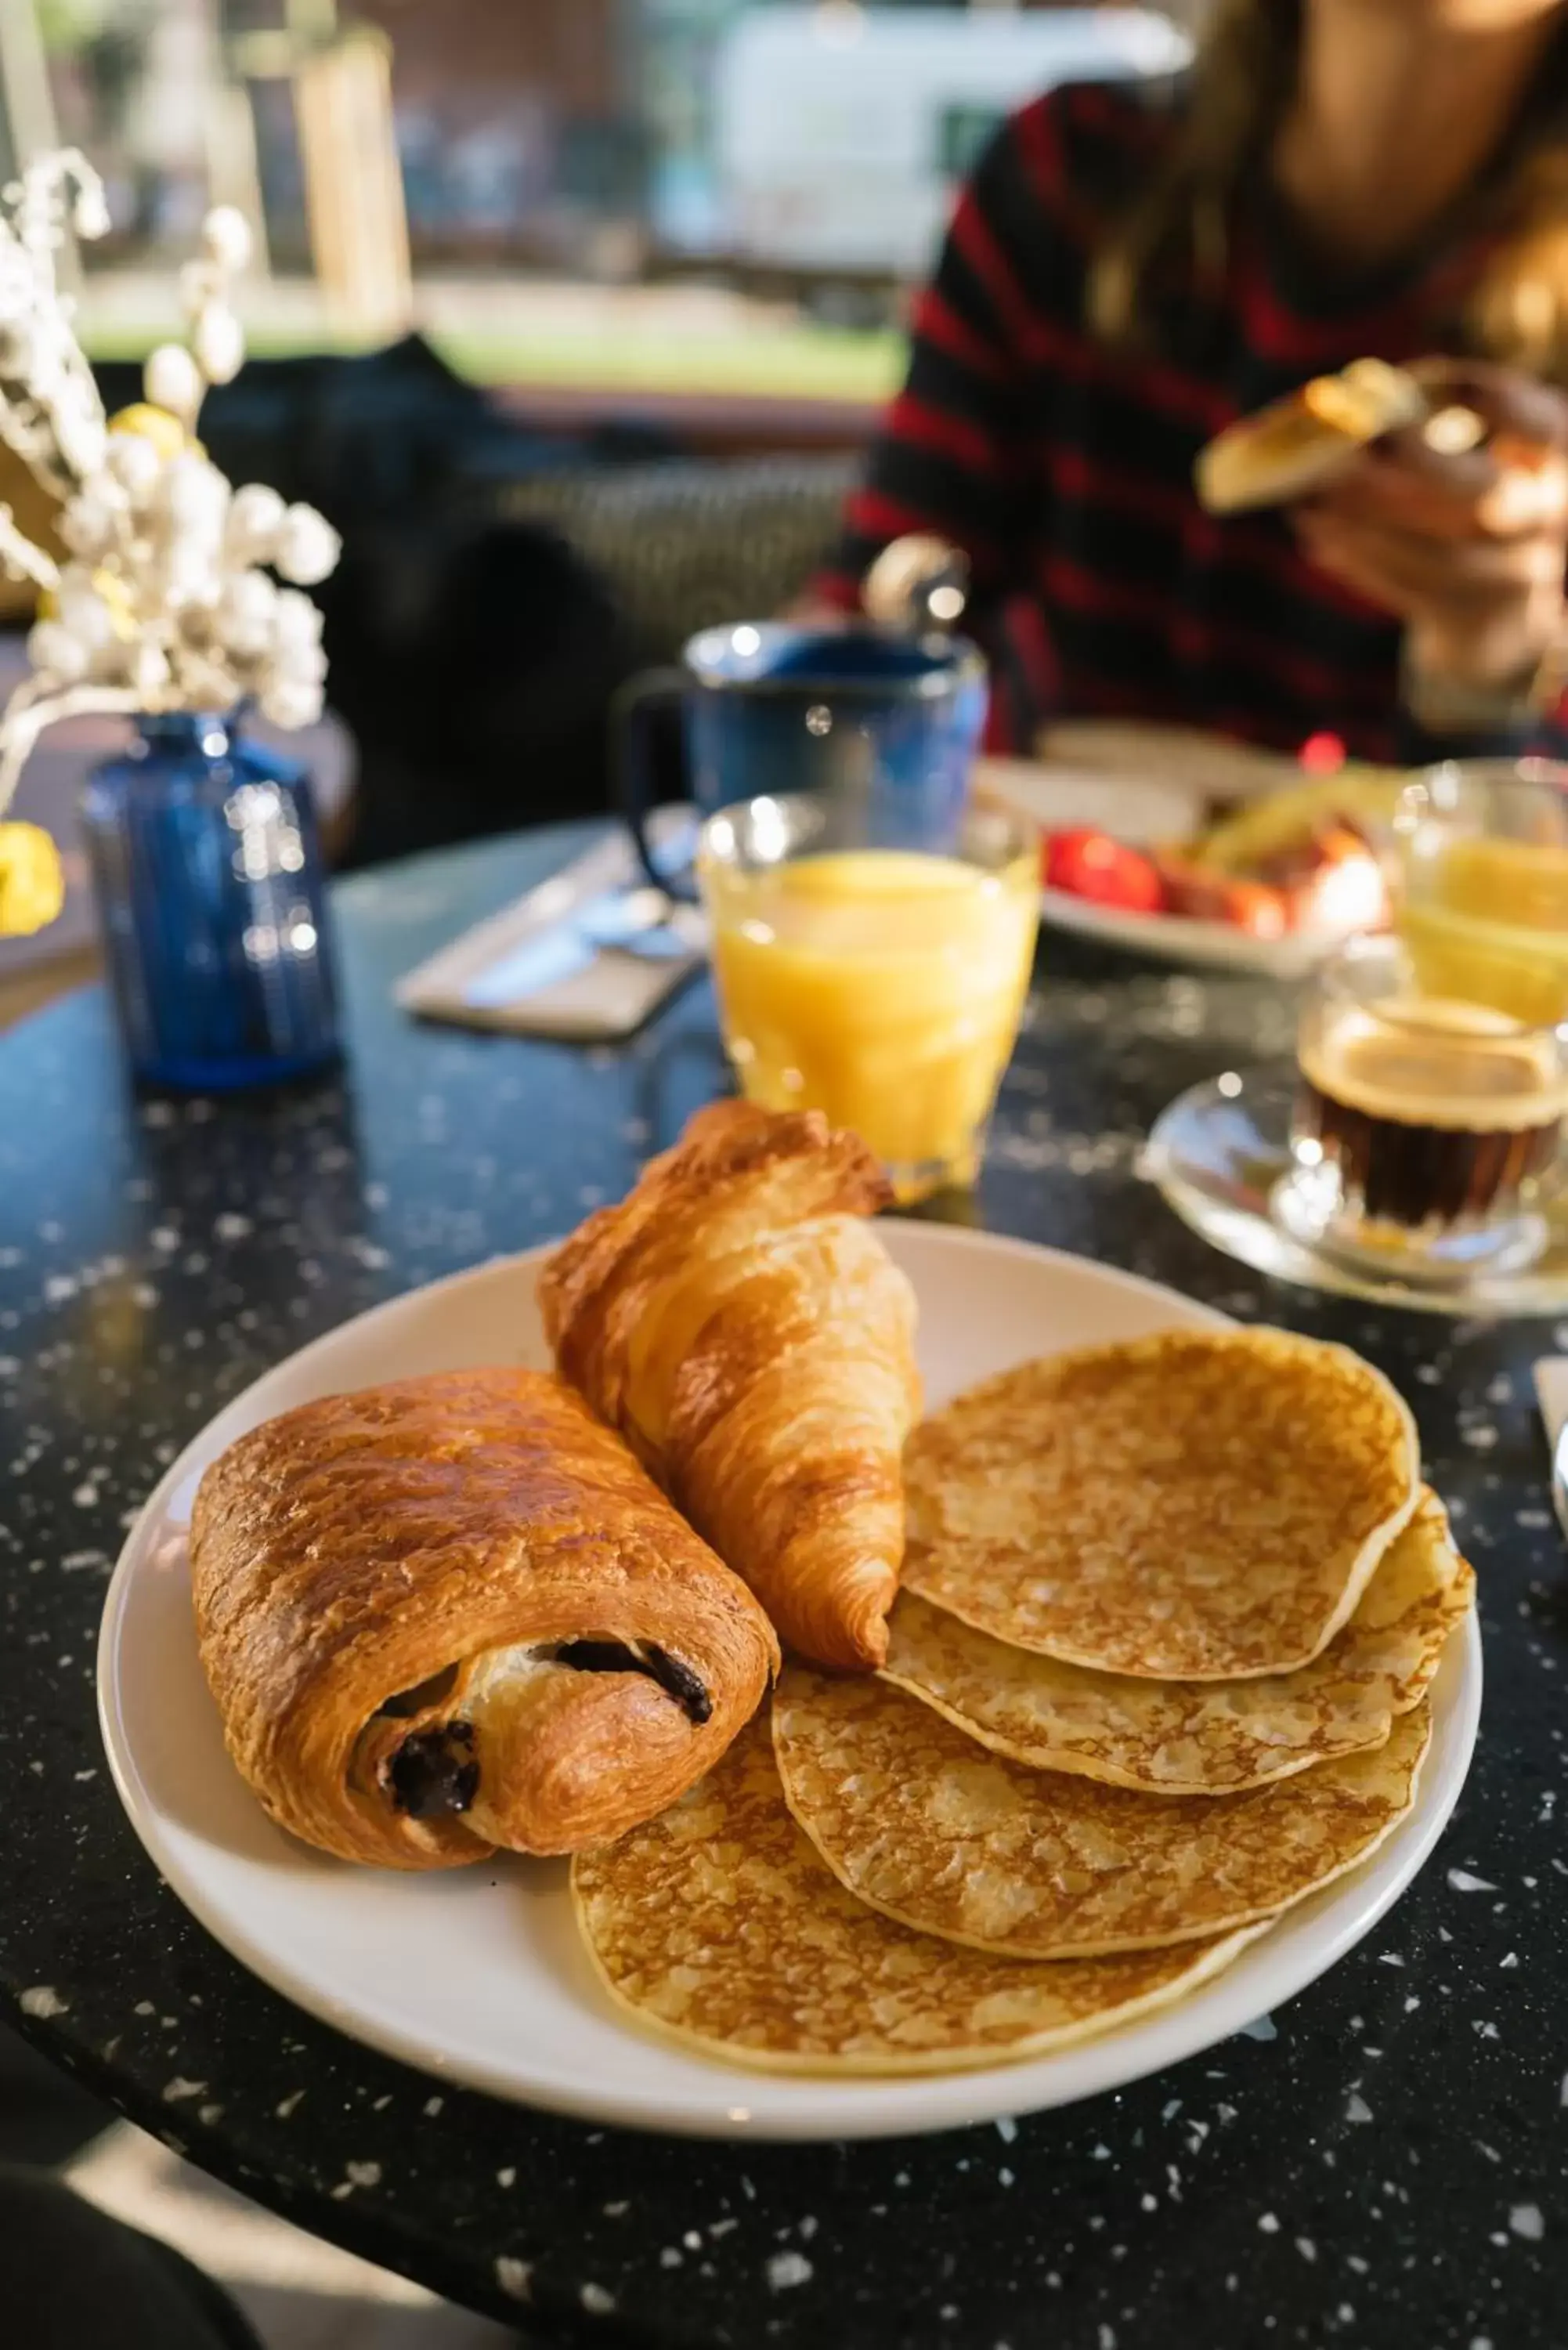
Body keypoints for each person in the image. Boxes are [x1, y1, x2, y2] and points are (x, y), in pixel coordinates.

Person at [815, 0, 1568, 767]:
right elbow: (873, 619)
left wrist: (1484, 671)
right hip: (1013, 857)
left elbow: (1530, 851)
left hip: (1374, 880)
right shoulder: (1070, 169)